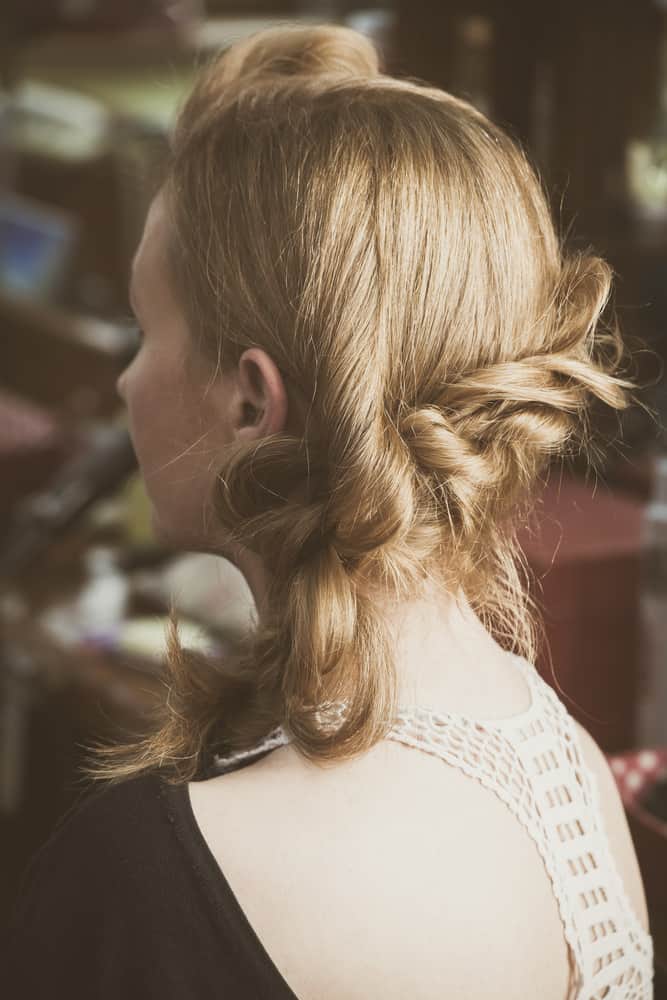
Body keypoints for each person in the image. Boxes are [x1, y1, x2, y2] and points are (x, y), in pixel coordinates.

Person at [3, 22, 654, 1000]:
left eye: (146, 329)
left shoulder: (139, 882)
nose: (128, 379)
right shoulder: (569, 777)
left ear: (251, 403)